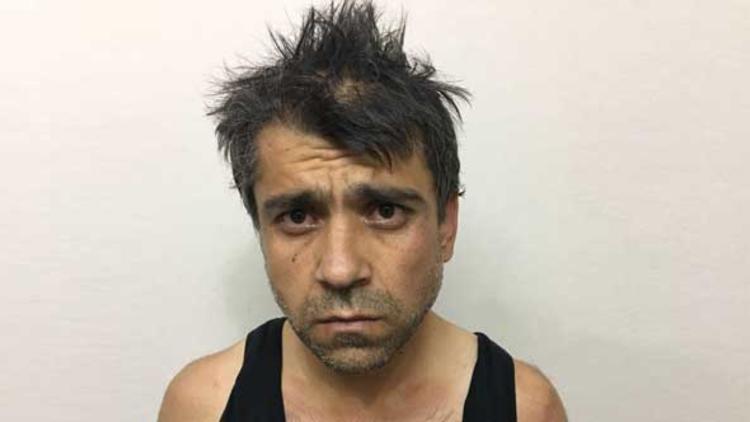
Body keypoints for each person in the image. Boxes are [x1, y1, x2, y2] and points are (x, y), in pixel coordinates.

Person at [158, 1, 566, 420]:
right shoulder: (202, 406)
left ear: (446, 225)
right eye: (297, 217)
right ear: (260, 227)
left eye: (385, 211)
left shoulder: (525, 408)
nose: (340, 270)